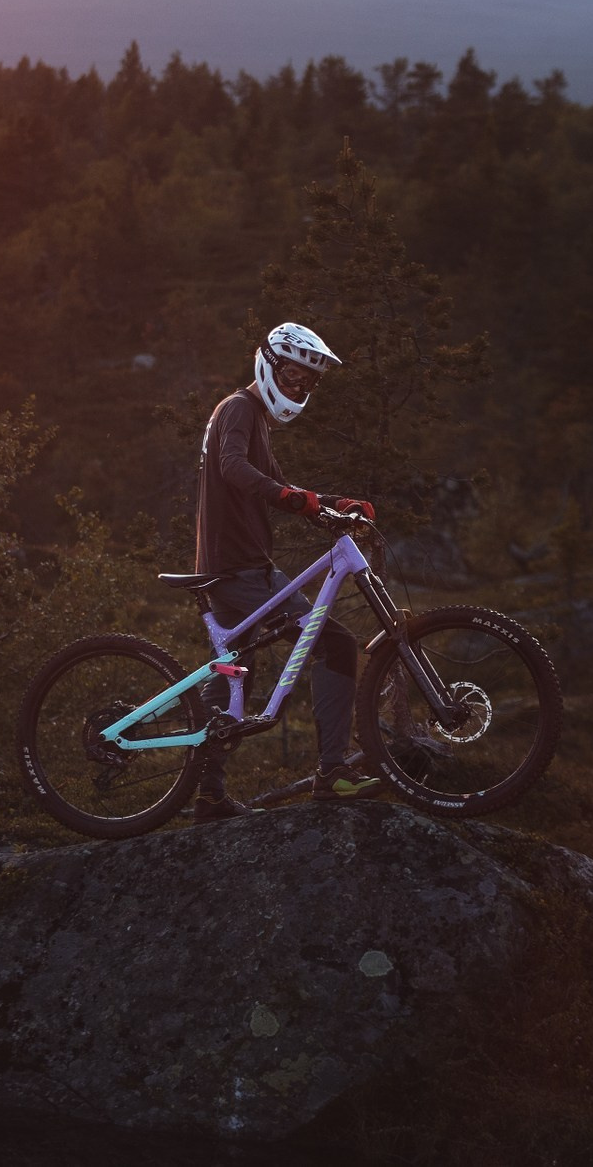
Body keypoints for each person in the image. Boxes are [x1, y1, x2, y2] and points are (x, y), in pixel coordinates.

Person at [186, 321, 382, 819]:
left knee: (234, 676)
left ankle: (208, 795)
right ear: (270, 365)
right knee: (335, 644)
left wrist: (336, 504)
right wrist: (294, 498)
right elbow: (233, 467)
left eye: (308, 381)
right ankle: (331, 772)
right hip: (237, 572)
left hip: (238, 569)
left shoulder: (253, 418)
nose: (299, 387)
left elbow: (281, 487)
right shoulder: (238, 408)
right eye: (294, 375)